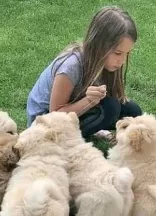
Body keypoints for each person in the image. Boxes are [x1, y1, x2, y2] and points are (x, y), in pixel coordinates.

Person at [26, 6, 143, 141]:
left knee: (133, 112)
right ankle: (66, 141)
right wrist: (88, 101)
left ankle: (90, 129)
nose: (122, 60)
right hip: (44, 122)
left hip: (73, 107)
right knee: (110, 108)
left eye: (126, 53)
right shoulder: (70, 67)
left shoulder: (107, 62)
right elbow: (55, 115)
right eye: (118, 53)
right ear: (100, 45)